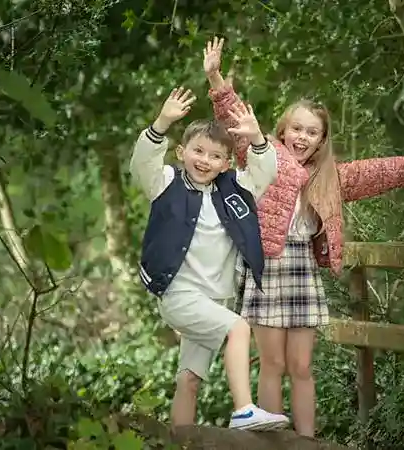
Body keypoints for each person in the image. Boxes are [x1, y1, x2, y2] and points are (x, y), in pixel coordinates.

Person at [203, 37, 404, 437]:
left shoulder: (330, 176)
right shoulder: (262, 156)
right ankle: (272, 443)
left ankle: (306, 441)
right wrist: (215, 77)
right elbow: (234, 119)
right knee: (273, 364)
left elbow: (375, 172)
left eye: (312, 132)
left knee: (301, 366)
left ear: (321, 140)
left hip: (301, 269)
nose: (302, 137)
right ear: (283, 130)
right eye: (297, 128)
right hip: (267, 267)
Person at [130, 85, 290, 431]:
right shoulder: (166, 181)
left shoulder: (235, 189)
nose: (205, 160)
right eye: (198, 151)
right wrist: (160, 123)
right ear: (181, 151)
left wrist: (258, 138)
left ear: (226, 163)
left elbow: (267, 172)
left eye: (215, 156)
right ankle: (245, 409)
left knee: (189, 379)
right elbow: (141, 162)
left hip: (215, 298)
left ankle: (179, 440)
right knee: (238, 328)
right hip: (178, 294)